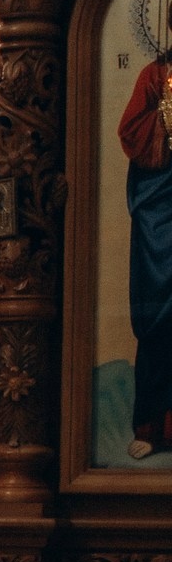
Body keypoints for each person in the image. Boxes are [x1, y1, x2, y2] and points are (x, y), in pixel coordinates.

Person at [123, 26, 172, 460]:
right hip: (162, 212)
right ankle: (152, 427)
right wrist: (164, 116)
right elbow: (132, 133)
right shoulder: (154, 76)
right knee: (159, 321)